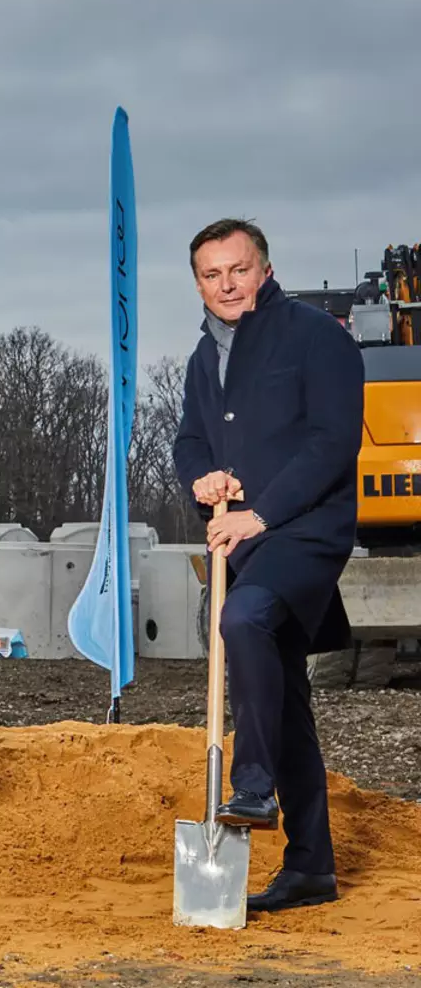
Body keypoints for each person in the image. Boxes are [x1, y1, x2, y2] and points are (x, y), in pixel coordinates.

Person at [174, 217, 360, 914]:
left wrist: (262, 511)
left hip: (306, 528)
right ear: (198, 282)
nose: (226, 284)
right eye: (211, 274)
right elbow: (192, 438)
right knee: (285, 700)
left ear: (265, 269)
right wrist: (202, 479)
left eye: (238, 269)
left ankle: (251, 781)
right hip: (247, 539)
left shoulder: (315, 335)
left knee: (241, 616)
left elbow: (333, 440)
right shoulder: (203, 357)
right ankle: (312, 867)